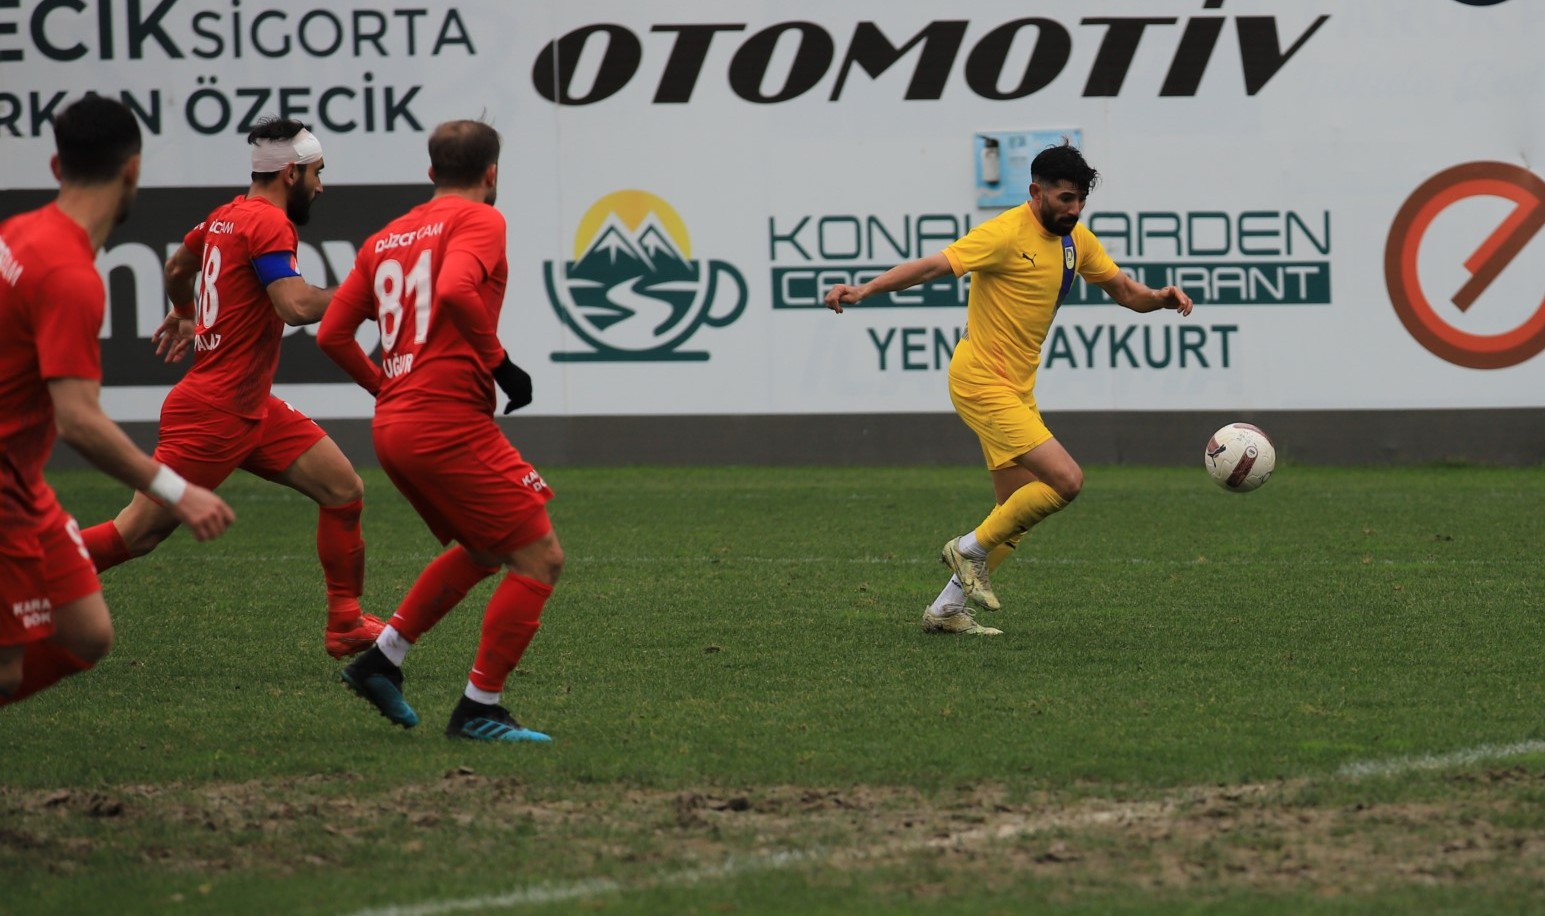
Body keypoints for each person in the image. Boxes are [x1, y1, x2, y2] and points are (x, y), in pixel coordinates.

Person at [824, 141, 1194, 636]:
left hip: (1016, 389)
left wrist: (1160, 299)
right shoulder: (1003, 233)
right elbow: (934, 266)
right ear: (1036, 192)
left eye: (1081, 199)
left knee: (1015, 511)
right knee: (1066, 481)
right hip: (979, 380)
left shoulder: (1076, 241)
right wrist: (865, 289)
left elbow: (1126, 292)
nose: (1075, 209)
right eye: (1065, 199)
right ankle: (968, 548)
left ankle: (946, 610)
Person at [77, 117, 384, 659]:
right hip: (215, 412)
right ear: (291, 173)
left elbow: (177, 265)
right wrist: (368, 291)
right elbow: (293, 306)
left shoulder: (225, 216)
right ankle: (23, 580)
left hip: (250, 406)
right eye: (317, 172)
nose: (322, 184)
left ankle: (345, 624)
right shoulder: (269, 224)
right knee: (138, 535)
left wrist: (182, 309)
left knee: (342, 489)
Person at [318, 119, 561, 743]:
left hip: (396, 424)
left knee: (485, 549)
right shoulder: (482, 218)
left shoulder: (385, 238)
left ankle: (383, 658)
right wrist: (500, 364)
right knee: (538, 558)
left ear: (430, 173)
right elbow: (454, 287)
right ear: (491, 173)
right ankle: (479, 707)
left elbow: (331, 335)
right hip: (446, 419)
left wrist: (387, 390)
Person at [0, 95, 235, 707]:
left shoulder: (19, 233)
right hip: (5, 488)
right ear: (133, 169)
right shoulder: (69, 275)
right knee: (5, 671)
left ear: (56, 167)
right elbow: (78, 420)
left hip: (24, 483)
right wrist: (178, 490)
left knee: (86, 634)